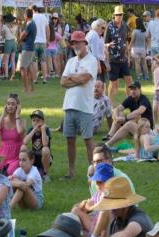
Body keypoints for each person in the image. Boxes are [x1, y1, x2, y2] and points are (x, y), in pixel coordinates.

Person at [61, 31, 97, 178]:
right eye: (73, 43)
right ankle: (71, 171)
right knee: (70, 140)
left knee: (88, 140)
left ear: (85, 43)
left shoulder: (92, 60)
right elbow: (62, 82)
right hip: (69, 105)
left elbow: (85, 79)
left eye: (78, 42)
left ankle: (94, 171)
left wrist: (71, 77)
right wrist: (77, 78)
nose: (75, 45)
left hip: (85, 106)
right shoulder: (70, 61)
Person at [73, 163, 114, 237]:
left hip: (104, 226)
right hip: (93, 222)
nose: (98, 185)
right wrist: (83, 205)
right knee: (75, 209)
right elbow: (87, 206)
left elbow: (104, 208)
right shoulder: (98, 193)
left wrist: (90, 207)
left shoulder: (110, 193)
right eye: (96, 182)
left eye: (100, 182)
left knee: (104, 213)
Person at [105, 81, 153, 147]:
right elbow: (117, 109)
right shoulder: (130, 98)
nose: (132, 91)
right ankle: (110, 135)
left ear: (139, 89)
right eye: (131, 89)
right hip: (136, 126)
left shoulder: (144, 99)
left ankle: (108, 144)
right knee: (120, 113)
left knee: (130, 122)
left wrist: (125, 118)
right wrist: (116, 118)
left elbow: (139, 111)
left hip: (147, 130)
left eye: (134, 89)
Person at [0, 94, 25, 176]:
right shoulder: (3, 121)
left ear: (17, 106)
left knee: (9, 173)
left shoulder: (22, 121)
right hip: (2, 155)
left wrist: (17, 115)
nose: (10, 106)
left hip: (16, 157)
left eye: (13, 104)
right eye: (8, 104)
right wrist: (3, 114)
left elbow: (20, 131)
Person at [104, 5, 132, 103]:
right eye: (117, 15)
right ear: (114, 15)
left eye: (120, 14)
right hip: (113, 59)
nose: (119, 16)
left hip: (123, 59)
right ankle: (109, 104)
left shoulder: (125, 26)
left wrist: (128, 56)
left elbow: (128, 40)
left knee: (129, 80)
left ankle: (129, 101)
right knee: (113, 83)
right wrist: (108, 45)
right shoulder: (109, 26)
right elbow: (104, 43)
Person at [23, 110, 52, 181]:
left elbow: (45, 144)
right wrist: (34, 130)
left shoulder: (46, 129)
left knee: (45, 149)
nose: (36, 123)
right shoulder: (31, 129)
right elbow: (25, 141)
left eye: (38, 121)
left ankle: (46, 174)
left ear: (43, 122)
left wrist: (43, 130)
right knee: (23, 147)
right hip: (34, 157)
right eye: (33, 121)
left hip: (45, 158)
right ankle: (26, 171)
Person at [19, 9, 37, 93]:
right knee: (29, 70)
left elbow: (23, 35)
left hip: (27, 49)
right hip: (31, 48)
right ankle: (31, 88)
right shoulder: (33, 23)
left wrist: (20, 38)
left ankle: (25, 88)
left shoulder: (29, 24)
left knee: (22, 68)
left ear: (26, 15)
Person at [30, 5, 49, 84]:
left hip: (34, 42)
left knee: (34, 61)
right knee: (43, 61)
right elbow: (48, 30)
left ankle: (35, 79)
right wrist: (47, 40)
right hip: (43, 42)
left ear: (32, 10)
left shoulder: (31, 18)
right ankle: (44, 79)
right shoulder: (44, 17)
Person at [86, 19, 107, 84]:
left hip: (91, 61)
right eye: (102, 28)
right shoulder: (94, 35)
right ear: (97, 26)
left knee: (93, 83)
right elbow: (95, 52)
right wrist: (98, 65)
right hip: (96, 62)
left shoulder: (89, 34)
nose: (104, 30)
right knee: (100, 84)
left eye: (105, 28)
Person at [2, 13, 18, 80]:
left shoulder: (4, 26)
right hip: (14, 42)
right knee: (13, 60)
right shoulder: (15, 26)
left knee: (6, 60)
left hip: (8, 42)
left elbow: (3, 36)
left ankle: (6, 75)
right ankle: (13, 75)